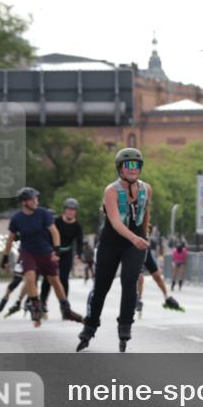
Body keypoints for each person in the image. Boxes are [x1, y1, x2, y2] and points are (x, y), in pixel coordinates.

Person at [76, 148, 152, 352]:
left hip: (135, 243)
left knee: (130, 280)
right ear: (120, 168)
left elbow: (145, 213)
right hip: (111, 242)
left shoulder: (146, 189)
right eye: (128, 165)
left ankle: (125, 324)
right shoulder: (111, 190)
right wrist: (135, 237)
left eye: (136, 165)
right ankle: (90, 327)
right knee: (101, 286)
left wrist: (145, 235)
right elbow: (116, 222)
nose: (132, 169)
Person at [1, 188, 84, 327]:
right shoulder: (17, 218)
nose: (36, 201)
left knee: (56, 280)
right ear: (24, 202)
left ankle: (65, 308)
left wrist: (56, 251)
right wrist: (5, 257)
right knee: (30, 277)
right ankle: (36, 307)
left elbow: (54, 232)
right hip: (27, 252)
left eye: (36, 199)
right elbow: (10, 239)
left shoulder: (43, 213)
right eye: (33, 199)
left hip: (46, 252)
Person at [39, 197, 85, 316]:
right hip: (53, 252)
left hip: (66, 253)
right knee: (49, 278)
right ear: (65, 210)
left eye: (73, 210)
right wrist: (50, 251)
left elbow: (79, 242)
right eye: (68, 209)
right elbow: (49, 236)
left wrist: (78, 255)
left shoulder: (77, 226)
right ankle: (42, 303)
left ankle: (64, 306)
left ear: (76, 212)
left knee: (64, 278)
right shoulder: (57, 222)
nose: (70, 212)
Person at [136, 250, 184, 317]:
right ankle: (139, 300)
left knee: (157, 276)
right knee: (140, 277)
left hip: (145, 250)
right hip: (135, 250)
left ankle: (167, 298)